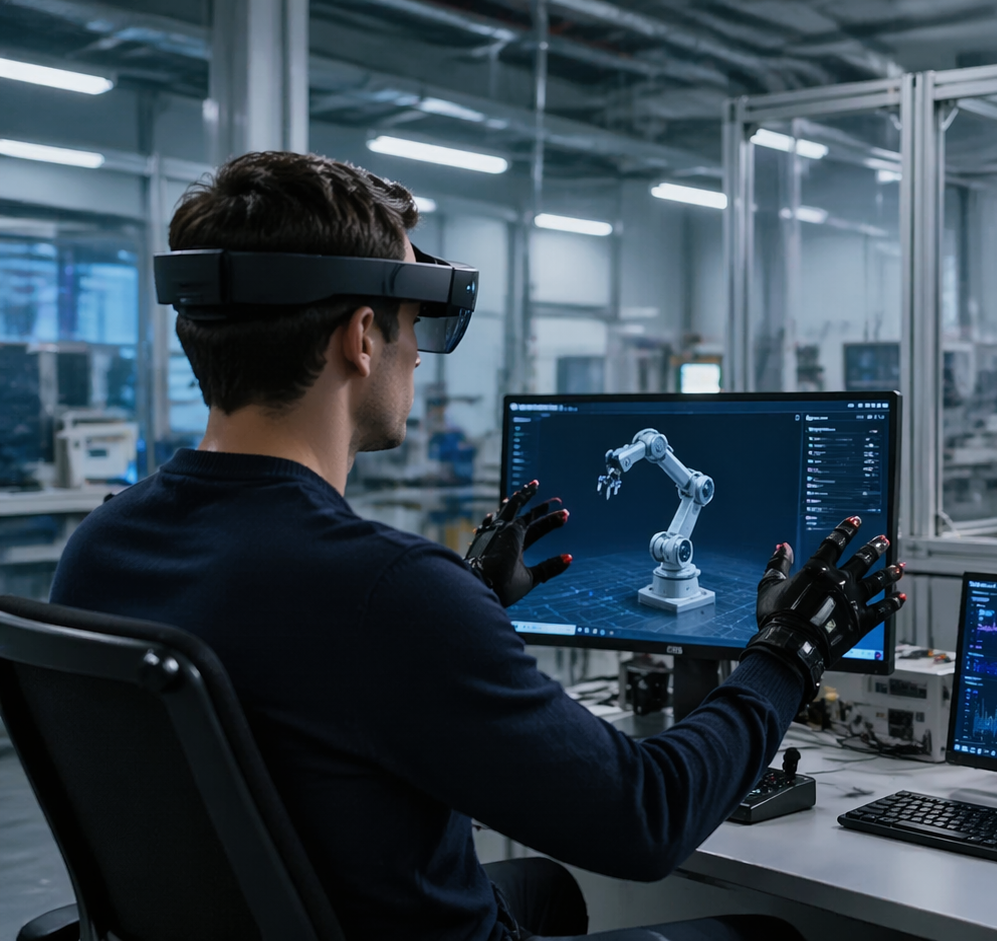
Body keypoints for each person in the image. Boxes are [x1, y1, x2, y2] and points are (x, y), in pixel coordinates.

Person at [49, 151, 904, 941]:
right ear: (360, 336)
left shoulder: (103, 545)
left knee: (545, 888)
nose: (418, 356)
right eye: (416, 325)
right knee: (760, 935)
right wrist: (788, 653)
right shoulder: (386, 592)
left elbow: (300, 689)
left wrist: (466, 607)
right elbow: (646, 818)